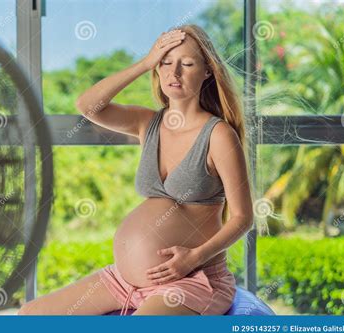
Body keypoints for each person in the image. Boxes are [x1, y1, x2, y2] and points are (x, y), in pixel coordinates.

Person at [18, 24, 253, 316]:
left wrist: (192, 259)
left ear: (207, 71)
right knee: (29, 315)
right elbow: (87, 105)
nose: (173, 73)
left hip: (190, 280)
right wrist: (145, 62)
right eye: (165, 62)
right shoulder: (148, 122)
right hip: (123, 280)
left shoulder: (218, 135)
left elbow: (243, 218)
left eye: (187, 64)